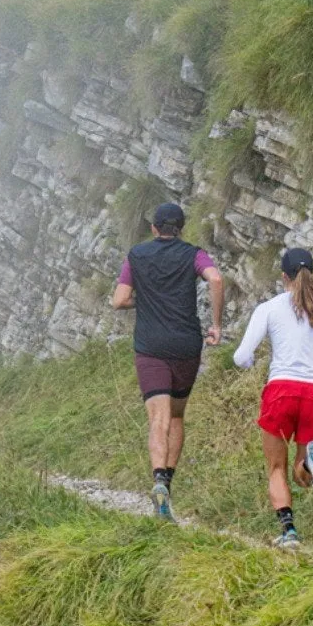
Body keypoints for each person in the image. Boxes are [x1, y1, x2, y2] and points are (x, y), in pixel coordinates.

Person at [233, 246, 313, 549]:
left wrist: (250, 365)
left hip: (282, 390)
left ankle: (288, 532)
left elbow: (241, 356)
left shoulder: (269, 307)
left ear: (283, 276)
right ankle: (311, 462)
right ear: (311, 272)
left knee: (276, 468)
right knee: (301, 473)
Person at [111, 201, 224, 520]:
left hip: (150, 348)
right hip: (186, 345)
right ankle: (167, 484)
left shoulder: (137, 256)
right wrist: (216, 325)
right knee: (176, 416)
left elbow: (119, 300)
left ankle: (158, 478)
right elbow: (215, 280)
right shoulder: (193, 254)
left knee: (157, 418)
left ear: (154, 228)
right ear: (181, 228)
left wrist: (143, 300)